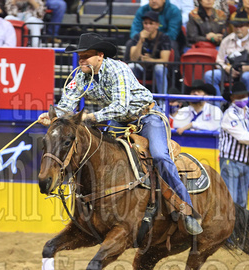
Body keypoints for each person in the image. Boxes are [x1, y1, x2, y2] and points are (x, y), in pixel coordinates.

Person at [38, 33, 204, 235]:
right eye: (80, 57)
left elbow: (121, 106)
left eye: (86, 56)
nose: (81, 60)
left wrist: (91, 118)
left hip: (146, 117)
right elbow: (66, 105)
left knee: (160, 156)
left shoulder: (118, 69)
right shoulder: (80, 75)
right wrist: (55, 118)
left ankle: (187, 210)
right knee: (102, 157)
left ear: (100, 56)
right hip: (119, 121)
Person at [204, 10, 249, 96]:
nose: (238, 29)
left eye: (241, 26)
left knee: (247, 77)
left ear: (247, 26)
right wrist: (227, 68)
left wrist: (248, 67)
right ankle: (217, 105)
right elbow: (219, 60)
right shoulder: (226, 40)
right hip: (229, 72)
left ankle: (248, 107)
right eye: (235, 26)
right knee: (209, 75)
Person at [125, 10, 172, 95]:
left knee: (159, 68)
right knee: (131, 66)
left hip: (156, 71)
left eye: (151, 23)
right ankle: (132, 99)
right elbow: (133, 59)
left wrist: (150, 60)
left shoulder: (164, 38)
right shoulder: (138, 37)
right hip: (142, 70)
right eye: (145, 23)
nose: (147, 26)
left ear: (157, 25)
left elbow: (165, 61)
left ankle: (163, 100)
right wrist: (141, 41)